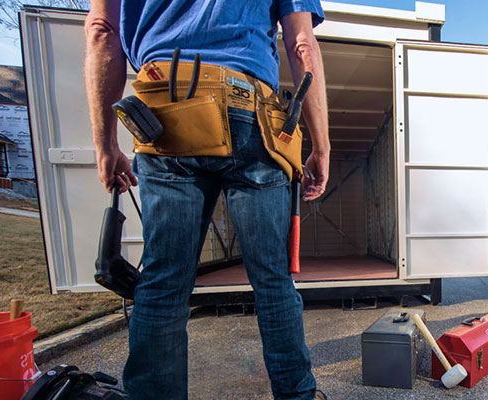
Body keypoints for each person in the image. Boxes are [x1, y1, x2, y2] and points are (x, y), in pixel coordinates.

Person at [84, 1, 330, 399]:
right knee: (273, 281)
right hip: (250, 109)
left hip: (166, 108)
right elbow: (302, 43)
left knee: (163, 284)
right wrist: (321, 146)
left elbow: (101, 31)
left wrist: (105, 144)